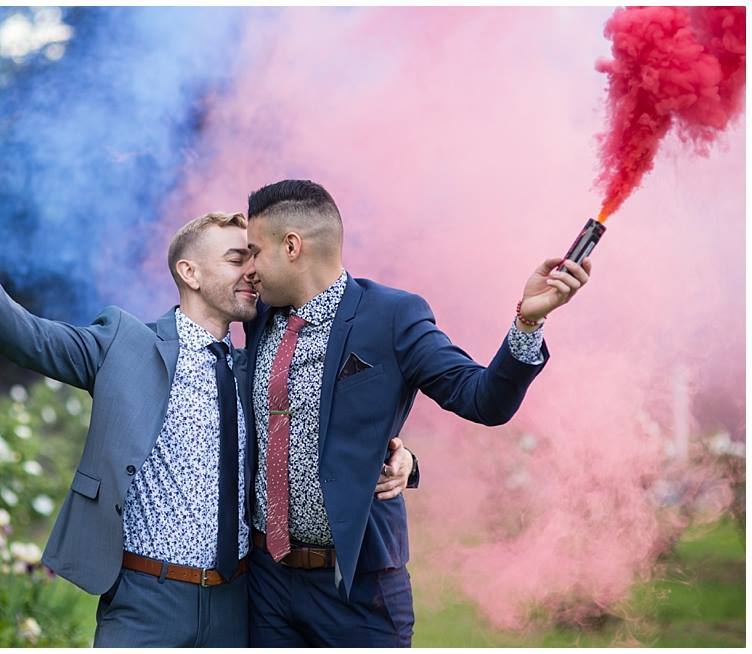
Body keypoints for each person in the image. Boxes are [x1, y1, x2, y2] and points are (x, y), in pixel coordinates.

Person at [0, 177, 414, 647]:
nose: (252, 273)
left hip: (239, 605)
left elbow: (324, 432)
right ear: (188, 271)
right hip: (145, 603)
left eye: (253, 260)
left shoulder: (255, 369)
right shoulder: (125, 345)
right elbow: (27, 335)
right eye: (237, 260)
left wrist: (402, 458)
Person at [241, 179, 592, 647]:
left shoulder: (392, 315)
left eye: (253, 252)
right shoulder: (258, 314)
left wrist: (528, 321)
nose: (248, 269)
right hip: (265, 584)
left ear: (291, 247)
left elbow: (483, 399)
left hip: (359, 588)